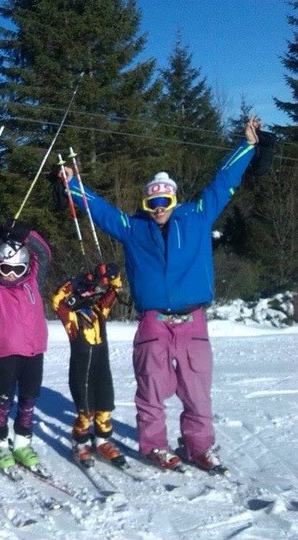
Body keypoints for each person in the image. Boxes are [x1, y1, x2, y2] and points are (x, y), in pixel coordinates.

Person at [59, 117, 261, 473]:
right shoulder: (133, 228)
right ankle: (154, 445)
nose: (158, 209)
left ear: (174, 199)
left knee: (196, 390)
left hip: (192, 319)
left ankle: (199, 446)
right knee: (151, 387)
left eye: (164, 201)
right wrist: (73, 185)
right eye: (152, 202)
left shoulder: (197, 216)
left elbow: (223, 182)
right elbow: (101, 210)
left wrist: (247, 146)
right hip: (154, 321)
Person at [0, 220, 52, 473]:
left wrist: (25, 234)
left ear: (26, 268)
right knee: (3, 400)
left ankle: (22, 442)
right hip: (7, 353)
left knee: (28, 400)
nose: (10, 274)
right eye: (5, 268)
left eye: (17, 269)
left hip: (35, 351)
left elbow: (44, 253)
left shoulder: (33, 282)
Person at [51, 263, 126, 469]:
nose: (89, 292)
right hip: (81, 372)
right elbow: (57, 299)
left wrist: (113, 275)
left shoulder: (99, 310)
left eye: (91, 290)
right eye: (85, 290)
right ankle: (80, 442)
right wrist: (76, 281)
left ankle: (102, 441)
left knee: (105, 406)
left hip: (101, 370)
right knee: (86, 411)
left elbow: (114, 290)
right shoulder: (71, 317)